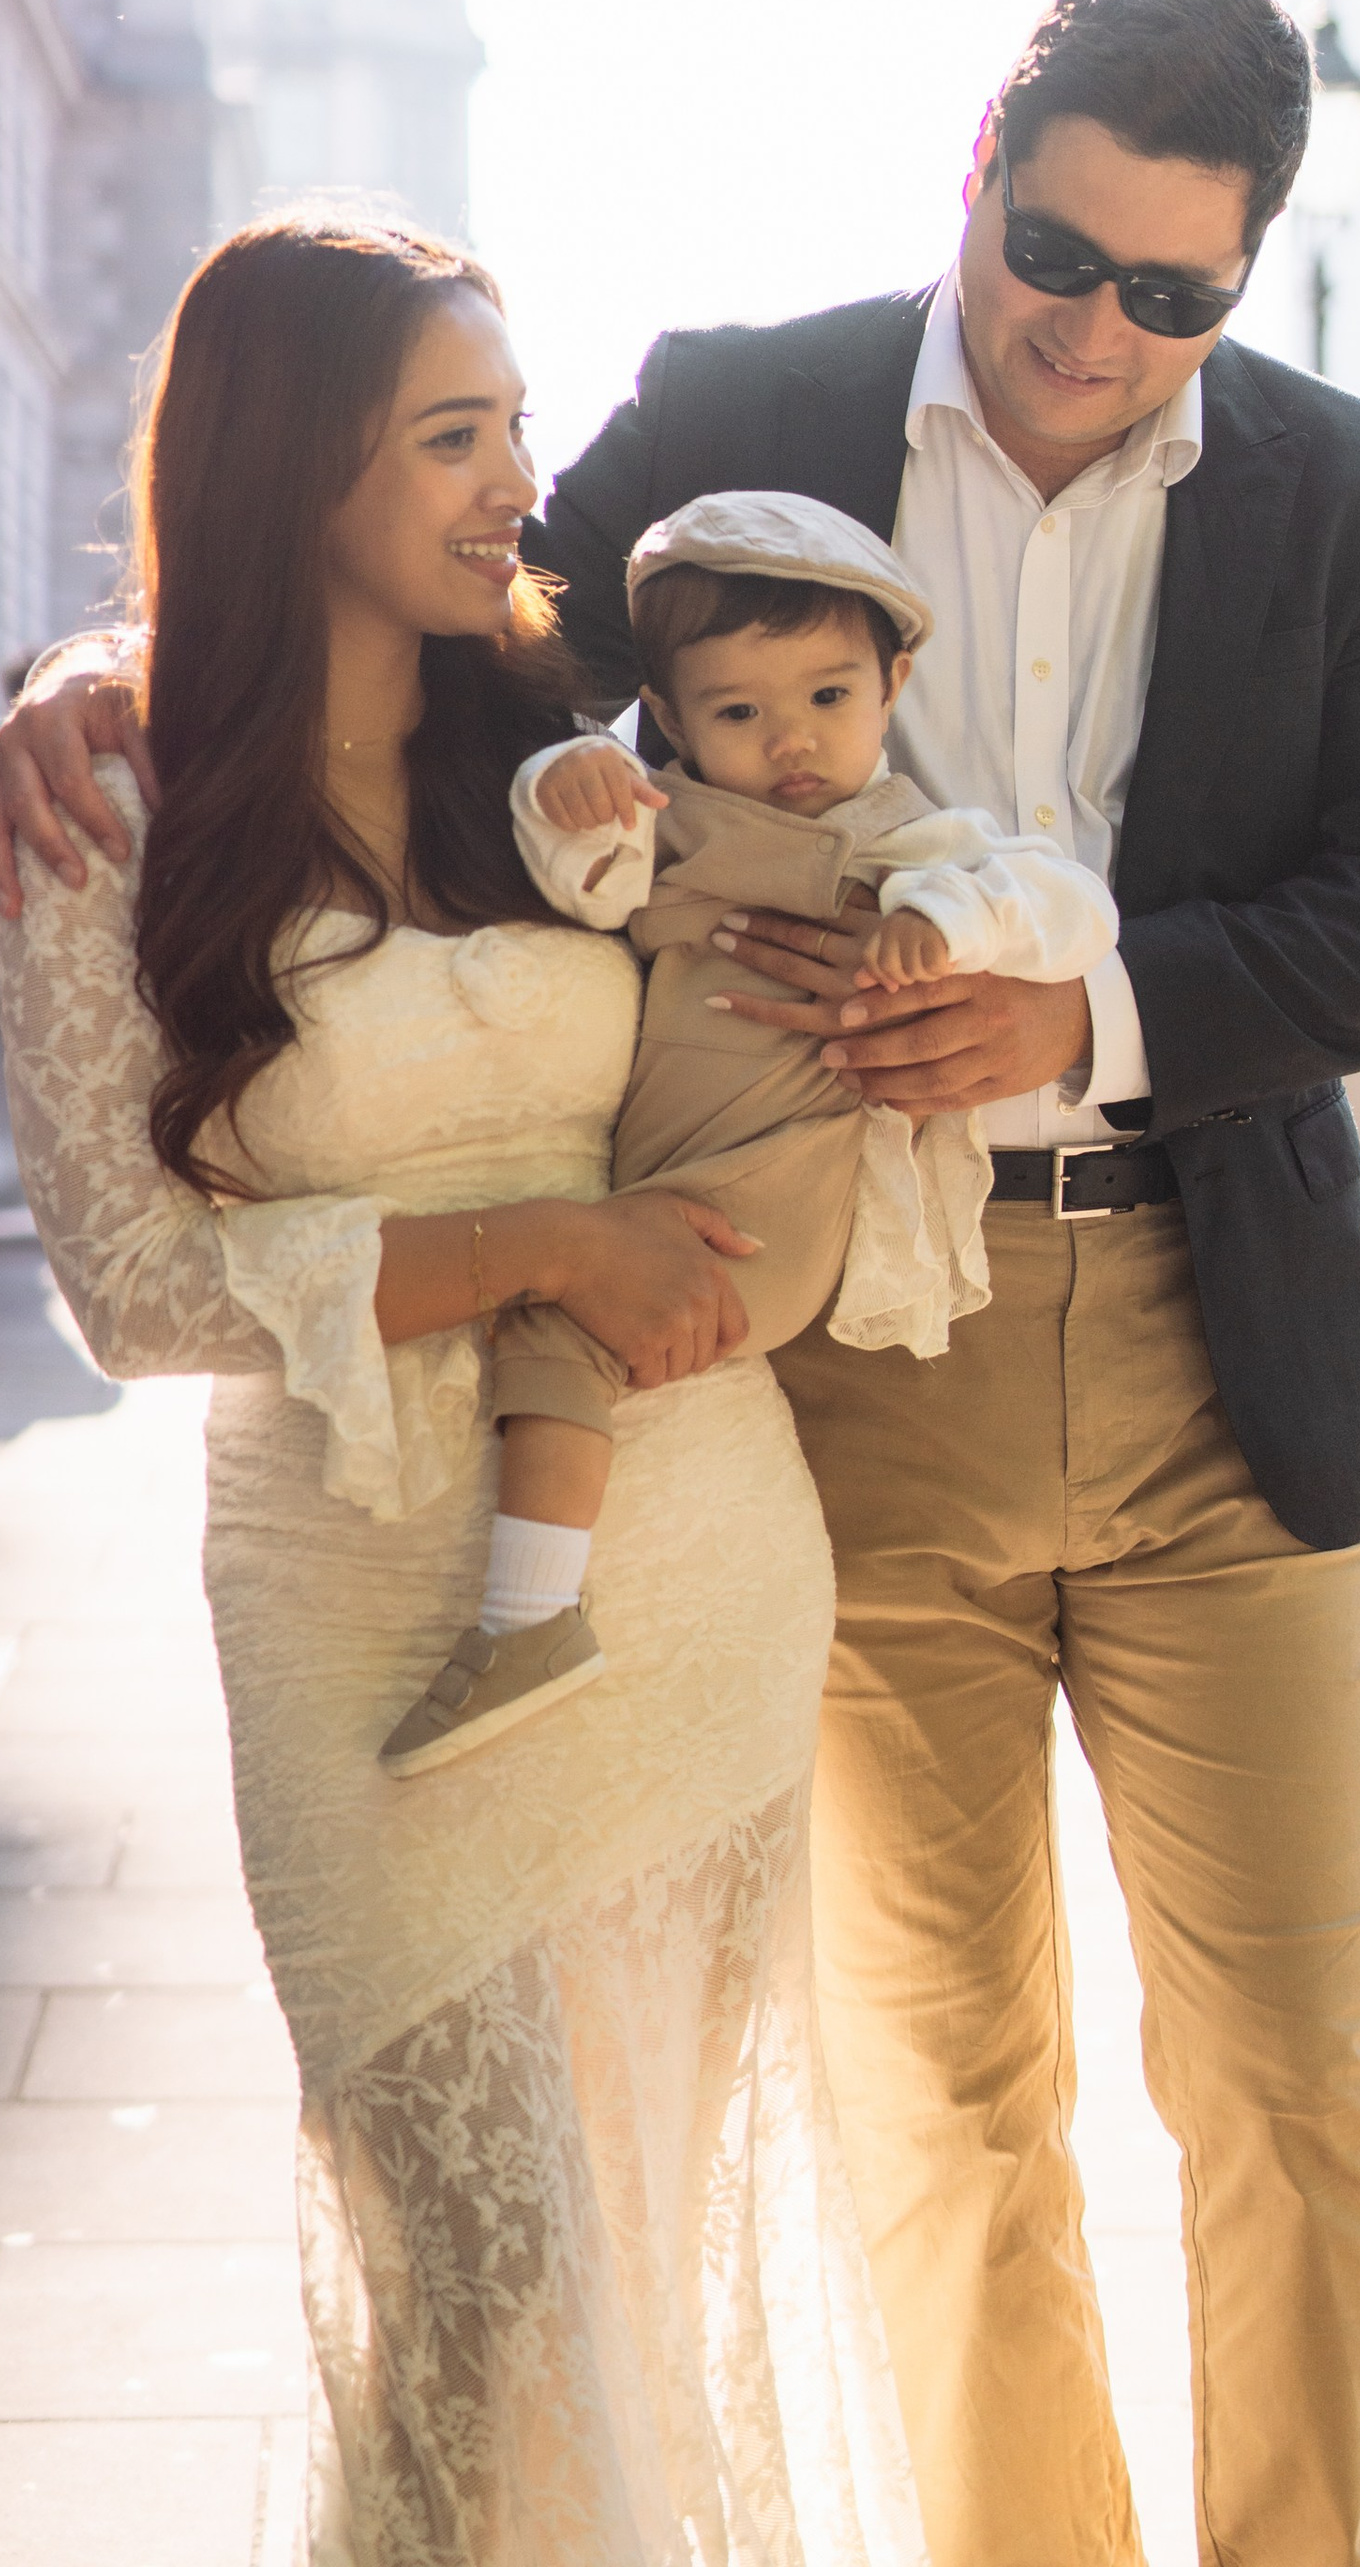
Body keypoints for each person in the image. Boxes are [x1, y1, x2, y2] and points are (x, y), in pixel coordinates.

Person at [0, 0, 1360, 2567]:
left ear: (1240, 281)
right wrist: (104, 669)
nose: (1097, 328)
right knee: (945, 2102)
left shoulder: (1355, 496)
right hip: (819, 1375)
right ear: (979, 178)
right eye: (1059, 254)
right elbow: (406, 592)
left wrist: (1077, 1015)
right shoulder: (743, 416)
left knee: (1289, 2086)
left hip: (1210, 1356)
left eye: (1176, 296)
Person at [0, 216, 920, 2567]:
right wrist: (535, 1247)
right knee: (479, 2286)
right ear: (301, 466)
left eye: (514, 422)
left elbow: (846, 788)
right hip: (352, 1608)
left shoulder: (571, 746)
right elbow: (125, 1287)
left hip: (687, 1568)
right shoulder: (107, 801)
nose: (520, 484)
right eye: (454, 436)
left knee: (640, 2267)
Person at [382, 488, 1119, 1776]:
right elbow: (584, 886)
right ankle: (540, 1613)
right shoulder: (669, 825)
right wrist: (574, 786)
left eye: (831, 699)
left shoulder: (909, 843)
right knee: (569, 1318)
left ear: (892, 685)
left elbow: (1065, 903)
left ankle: (527, 1618)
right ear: (667, 717)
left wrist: (946, 925)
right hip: (670, 1164)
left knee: (567, 1329)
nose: (793, 742)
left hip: (773, 1188)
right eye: (739, 713)